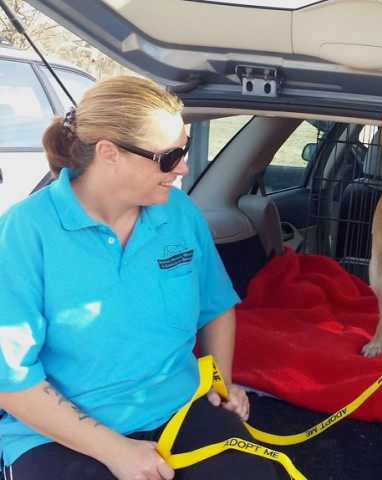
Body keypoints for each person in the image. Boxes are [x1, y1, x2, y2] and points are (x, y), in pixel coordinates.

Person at [0, 75, 277, 480]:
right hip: (54, 433)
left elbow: (216, 306)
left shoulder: (180, 212)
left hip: (177, 407)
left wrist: (221, 382)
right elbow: (11, 376)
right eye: (168, 157)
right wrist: (116, 450)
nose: (182, 167)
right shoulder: (25, 230)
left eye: (183, 150)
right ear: (109, 153)